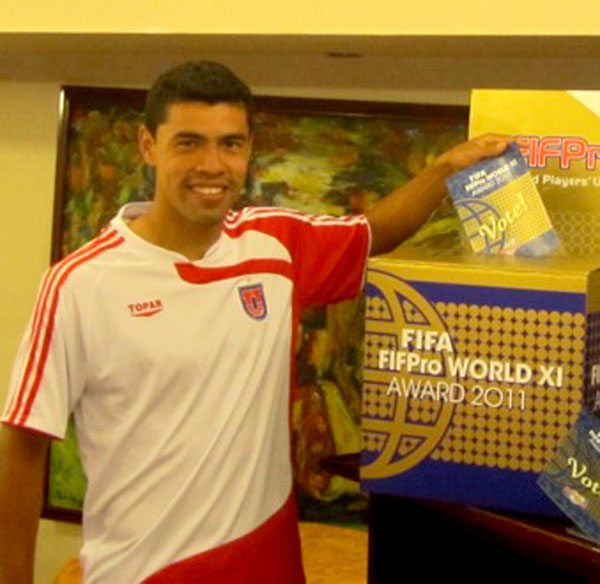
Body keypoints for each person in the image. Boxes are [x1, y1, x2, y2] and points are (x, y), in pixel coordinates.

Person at [0, 60, 508, 583]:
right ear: (148, 145)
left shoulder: (275, 245)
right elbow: (24, 439)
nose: (212, 164)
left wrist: (446, 169)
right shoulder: (80, 283)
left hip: (268, 564)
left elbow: (373, 233)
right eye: (189, 143)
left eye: (231, 144)